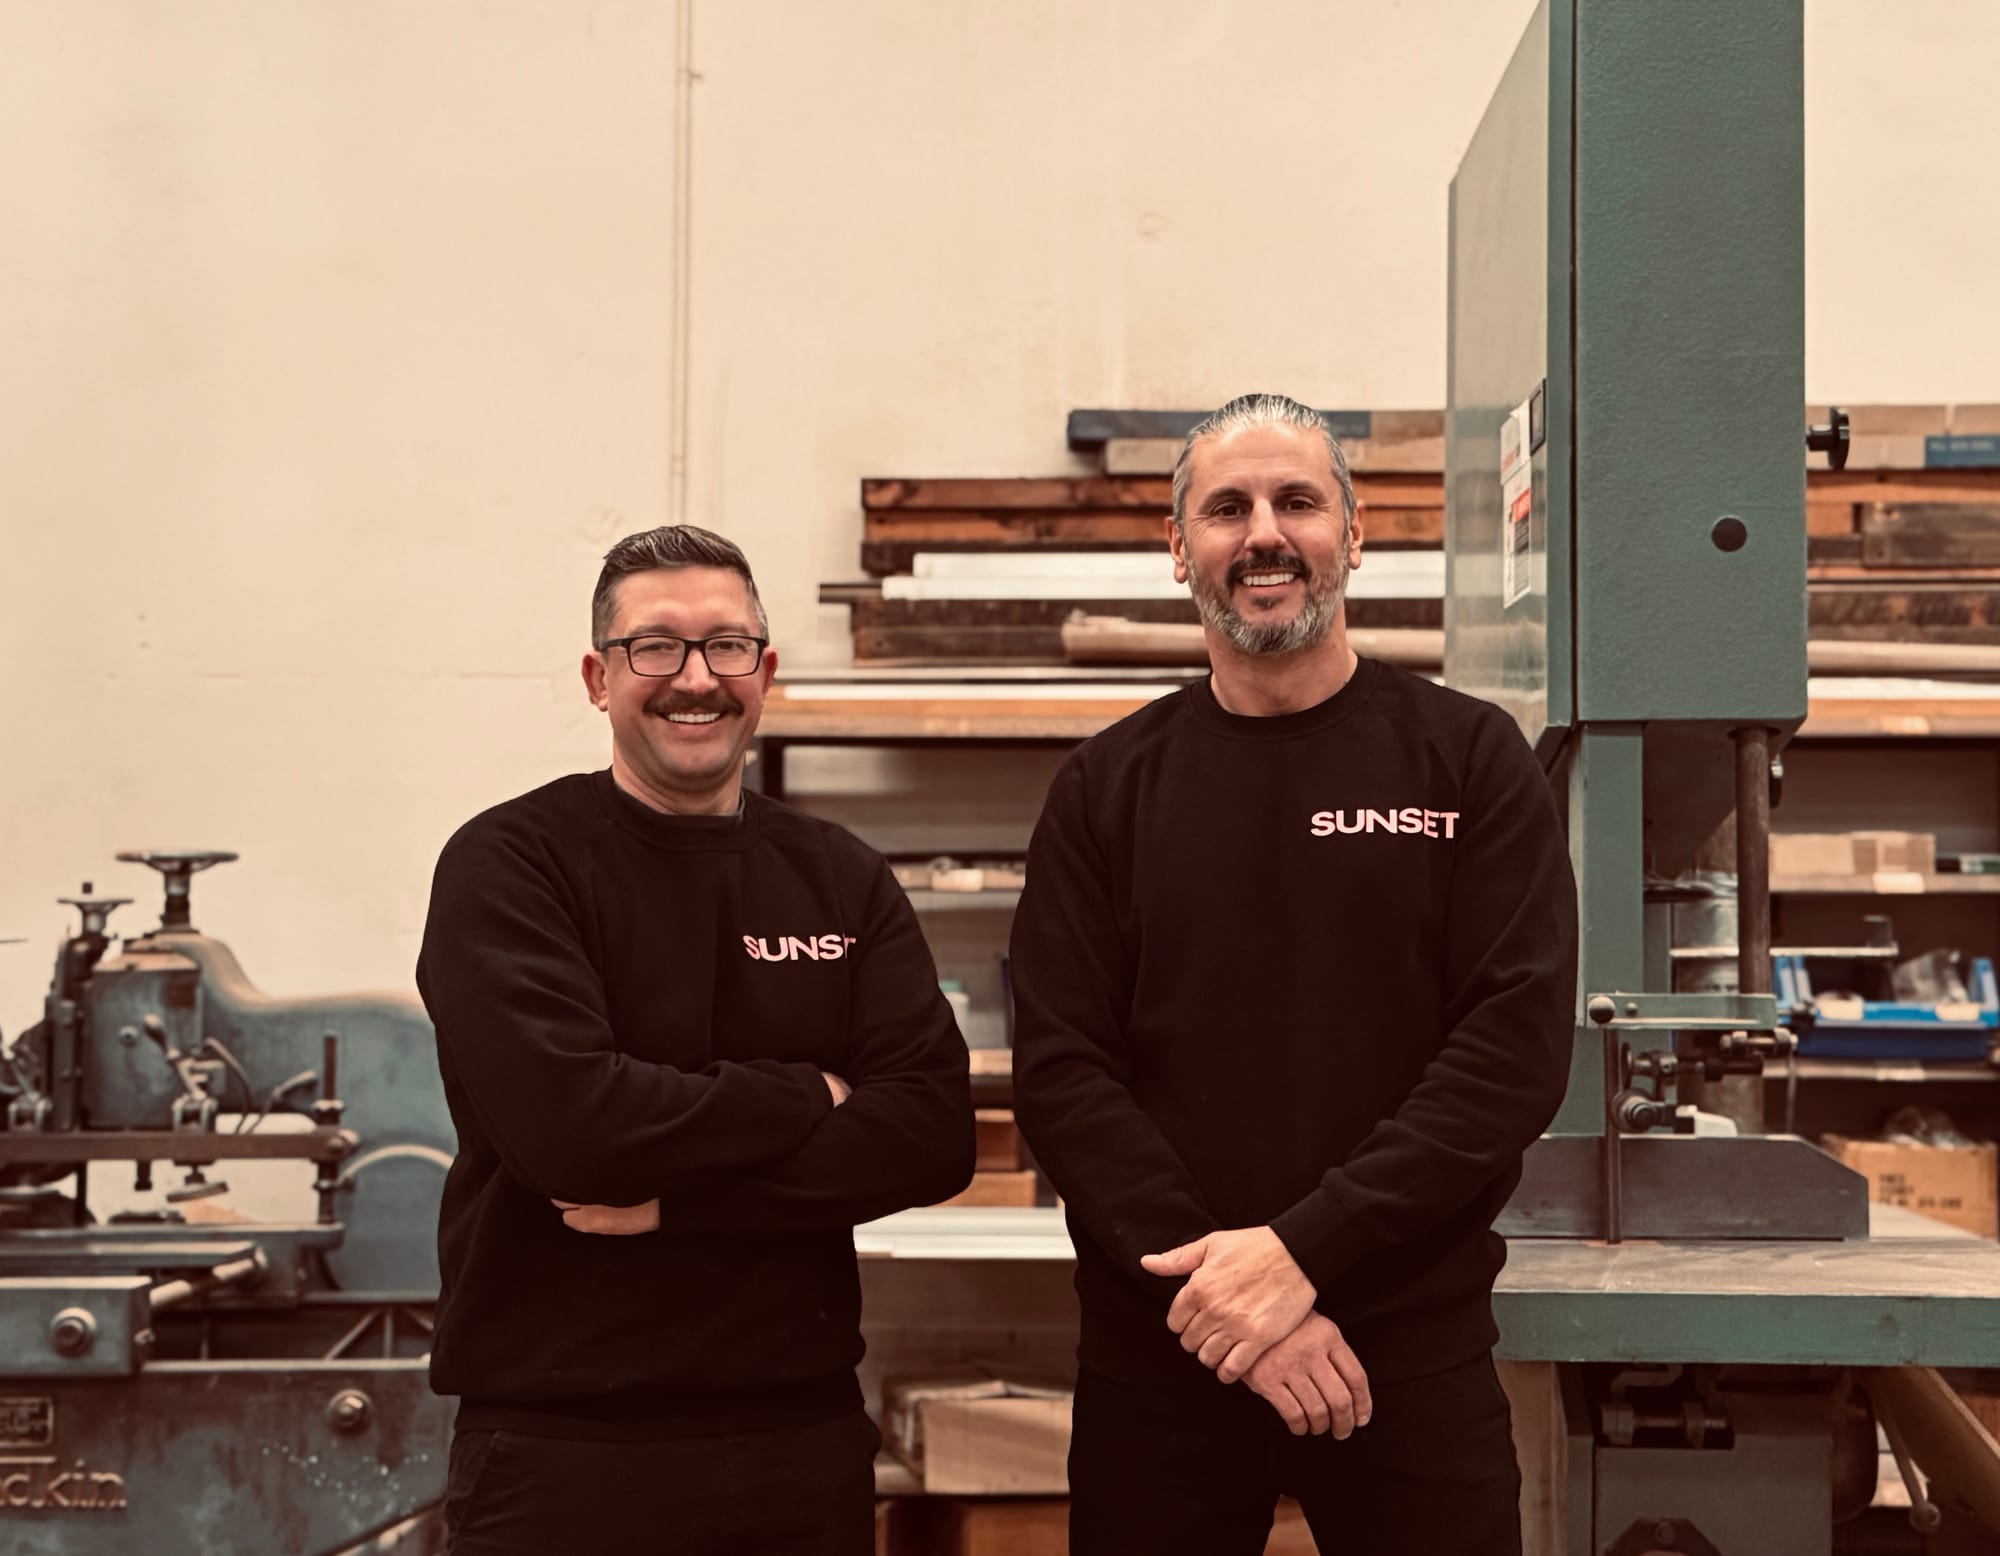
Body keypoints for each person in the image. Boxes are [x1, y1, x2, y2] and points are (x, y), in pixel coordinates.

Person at [1010, 393, 1578, 1555]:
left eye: (1295, 501)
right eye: (1224, 507)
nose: (1261, 532)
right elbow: (1063, 1073)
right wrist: (1233, 1303)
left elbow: (1506, 1057)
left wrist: (1300, 1253)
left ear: (1351, 536)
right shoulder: (1105, 788)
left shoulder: (1469, 761)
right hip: (1164, 1352)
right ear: (1179, 551)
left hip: (1398, 1351)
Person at [418, 524, 974, 1556]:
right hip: (562, 1453)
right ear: (598, 676)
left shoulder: (837, 873)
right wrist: (809, 1092)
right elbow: (571, 1130)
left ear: (764, 670)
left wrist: (678, 1200)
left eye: (725, 646)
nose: (694, 678)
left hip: (795, 1445)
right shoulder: (511, 864)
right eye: (655, 647)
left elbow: (933, 1132)